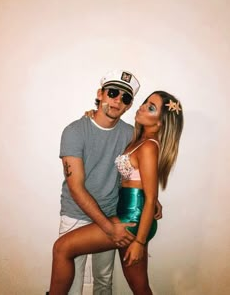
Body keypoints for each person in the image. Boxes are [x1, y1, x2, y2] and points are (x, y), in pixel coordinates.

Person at [48, 90, 183, 295]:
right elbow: (140, 182)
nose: (142, 106)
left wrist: (139, 241)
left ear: (161, 122)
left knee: (62, 248)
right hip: (122, 215)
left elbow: (149, 197)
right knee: (140, 287)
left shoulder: (147, 145)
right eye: (146, 102)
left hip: (132, 221)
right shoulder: (135, 137)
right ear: (101, 94)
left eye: (151, 108)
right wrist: (91, 117)